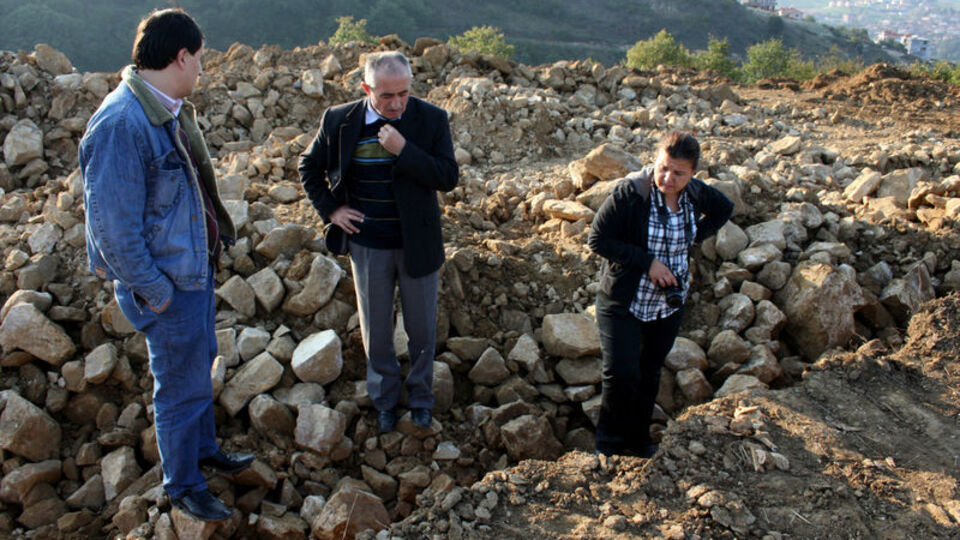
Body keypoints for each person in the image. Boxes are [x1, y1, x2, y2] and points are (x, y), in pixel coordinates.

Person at [80, 9, 254, 522]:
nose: (202, 68)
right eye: (199, 59)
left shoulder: (162, 106)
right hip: (169, 284)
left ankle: (202, 452)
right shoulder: (121, 123)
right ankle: (184, 485)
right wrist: (156, 291)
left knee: (198, 369)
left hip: (191, 274)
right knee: (179, 386)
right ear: (180, 57)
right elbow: (112, 229)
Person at [299, 51, 458, 433]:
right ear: (366, 88)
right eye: (386, 96)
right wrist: (332, 210)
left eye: (403, 93)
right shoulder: (339, 120)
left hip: (417, 242)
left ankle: (420, 398)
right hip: (367, 244)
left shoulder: (431, 119)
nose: (396, 103)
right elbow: (309, 166)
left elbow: (447, 175)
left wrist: (404, 150)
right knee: (377, 330)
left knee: (421, 330)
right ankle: (385, 401)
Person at [587, 132, 733, 458]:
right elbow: (598, 239)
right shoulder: (631, 193)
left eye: (678, 173)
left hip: (668, 303)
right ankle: (608, 447)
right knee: (621, 373)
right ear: (655, 160)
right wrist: (647, 262)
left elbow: (725, 208)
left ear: (692, 173)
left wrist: (695, 235)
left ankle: (640, 443)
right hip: (624, 299)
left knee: (650, 372)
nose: (668, 178)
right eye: (663, 167)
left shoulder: (694, 194)